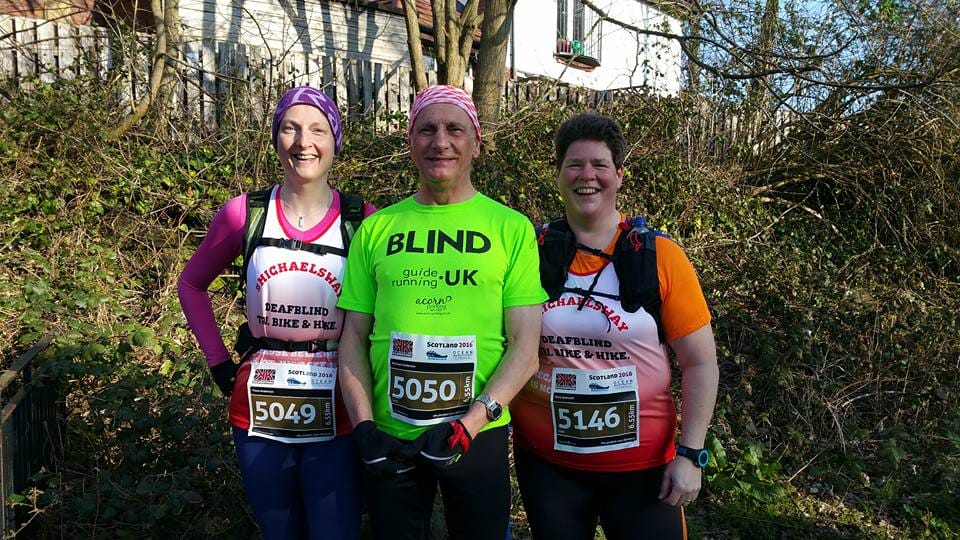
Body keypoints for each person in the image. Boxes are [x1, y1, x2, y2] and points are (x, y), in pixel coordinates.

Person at [336, 85, 546, 540]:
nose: (440, 141)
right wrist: (364, 426)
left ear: (476, 139)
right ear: (410, 139)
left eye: (454, 129)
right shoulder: (377, 228)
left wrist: (470, 425)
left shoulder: (511, 228)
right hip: (391, 437)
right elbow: (352, 336)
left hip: (476, 434)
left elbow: (527, 348)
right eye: (427, 129)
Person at [510, 113, 719, 540]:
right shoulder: (529, 251)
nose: (587, 175)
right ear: (558, 175)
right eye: (574, 164)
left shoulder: (660, 256)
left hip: (644, 472)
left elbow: (700, 364)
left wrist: (691, 454)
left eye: (600, 165)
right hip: (549, 467)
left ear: (620, 176)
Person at [178, 86, 375, 540]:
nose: (303, 142)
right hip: (260, 399)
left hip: (339, 396)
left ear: (335, 142)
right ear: (275, 138)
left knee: (336, 532)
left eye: (317, 130)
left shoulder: (363, 220)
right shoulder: (243, 214)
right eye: (290, 128)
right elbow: (191, 284)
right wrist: (218, 362)